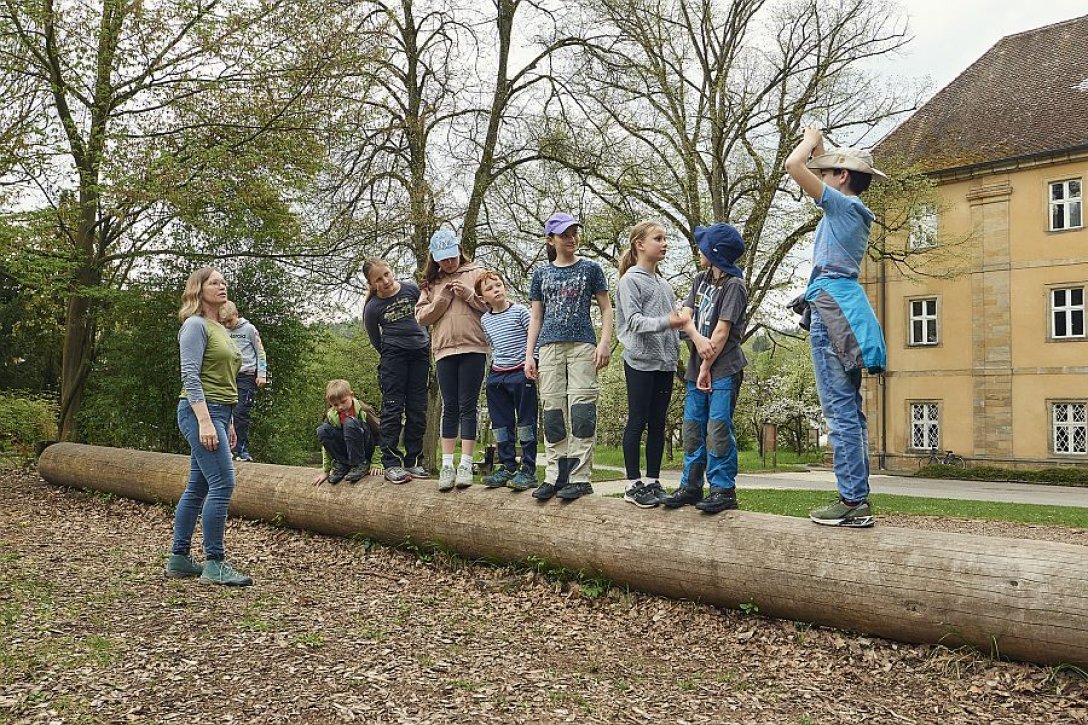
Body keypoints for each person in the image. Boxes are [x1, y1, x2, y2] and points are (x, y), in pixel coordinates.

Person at [784, 127, 888, 528]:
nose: (820, 176)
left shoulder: (843, 208)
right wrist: (825, 149)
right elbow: (818, 168)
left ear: (842, 178)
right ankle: (856, 498)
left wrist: (810, 137)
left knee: (839, 411)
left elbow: (795, 165)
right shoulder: (852, 210)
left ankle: (851, 501)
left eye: (828, 173)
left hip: (831, 310)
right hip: (844, 307)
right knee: (851, 411)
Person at [166, 267, 252, 586]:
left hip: (218, 413)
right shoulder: (194, 325)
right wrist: (205, 420)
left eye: (224, 281)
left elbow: (225, 379)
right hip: (197, 411)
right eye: (214, 281)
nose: (222, 285)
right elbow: (190, 376)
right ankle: (215, 563)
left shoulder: (220, 327)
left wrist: (226, 422)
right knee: (223, 484)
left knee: (198, 487)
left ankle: (179, 558)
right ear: (198, 288)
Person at [660, 223, 748, 515]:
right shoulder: (701, 280)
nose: (699, 251)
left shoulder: (734, 285)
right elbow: (685, 315)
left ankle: (723, 489)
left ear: (716, 252)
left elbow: (722, 333)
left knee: (718, 427)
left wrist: (706, 366)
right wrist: (697, 340)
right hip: (698, 365)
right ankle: (691, 485)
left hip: (723, 368)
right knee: (693, 426)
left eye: (704, 246)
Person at [525, 212, 613, 502]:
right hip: (549, 348)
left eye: (575, 233)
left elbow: (606, 308)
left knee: (581, 410)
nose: (572, 239)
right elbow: (536, 317)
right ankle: (555, 475)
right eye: (565, 235)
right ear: (551, 239)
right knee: (552, 411)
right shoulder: (541, 273)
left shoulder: (591, 268)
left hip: (583, 346)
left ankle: (579, 477)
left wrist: (604, 342)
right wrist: (530, 355)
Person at [614, 221, 692, 508]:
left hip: (665, 363)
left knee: (658, 423)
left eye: (665, 239)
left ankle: (653, 481)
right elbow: (633, 322)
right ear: (640, 245)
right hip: (639, 361)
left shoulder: (665, 285)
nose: (664, 243)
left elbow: (674, 326)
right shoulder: (629, 281)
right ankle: (633, 484)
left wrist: (691, 333)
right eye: (658, 238)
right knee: (638, 420)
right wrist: (667, 321)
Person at [415, 230, 489, 492]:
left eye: (452, 257)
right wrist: (442, 300)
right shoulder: (431, 283)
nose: (449, 263)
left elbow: (493, 304)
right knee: (450, 406)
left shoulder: (477, 272)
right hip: (444, 350)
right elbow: (422, 317)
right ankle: (447, 464)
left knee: (469, 405)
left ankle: (466, 463)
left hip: (473, 347)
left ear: (459, 250)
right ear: (435, 259)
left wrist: (469, 294)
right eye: (443, 260)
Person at [363, 258, 432, 484]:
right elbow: (375, 339)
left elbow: (425, 314)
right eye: (378, 279)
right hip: (394, 357)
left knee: (417, 409)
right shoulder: (373, 307)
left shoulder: (411, 289)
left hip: (420, 354)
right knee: (393, 409)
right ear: (371, 284)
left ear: (392, 272)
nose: (385, 281)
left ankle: (413, 461)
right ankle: (391, 463)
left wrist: (424, 340)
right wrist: (392, 351)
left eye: (387, 274)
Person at [475, 270, 539, 491]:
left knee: (525, 422)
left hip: (521, 372)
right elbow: (492, 346)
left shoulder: (521, 311)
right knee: (501, 424)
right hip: (497, 375)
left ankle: (528, 469)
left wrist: (533, 362)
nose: (496, 290)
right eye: (490, 289)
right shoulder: (485, 320)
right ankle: (508, 466)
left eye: (499, 285)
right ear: (483, 298)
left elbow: (534, 337)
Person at [219, 300, 267, 463]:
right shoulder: (222, 330)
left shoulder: (249, 329)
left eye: (229, 321)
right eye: (224, 322)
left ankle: (242, 450)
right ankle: (227, 450)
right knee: (224, 413)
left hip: (247, 375)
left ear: (236, 315)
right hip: (227, 376)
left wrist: (262, 374)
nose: (228, 325)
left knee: (241, 412)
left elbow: (260, 352)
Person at [311, 379, 383, 486]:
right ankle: (343, 464)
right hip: (347, 452)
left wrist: (377, 462)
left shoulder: (364, 410)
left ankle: (360, 464)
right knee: (322, 430)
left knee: (349, 422)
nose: (340, 407)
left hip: (365, 449)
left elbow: (380, 436)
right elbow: (326, 445)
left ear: (351, 395)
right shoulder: (331, 416)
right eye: (335, 404)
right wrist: (326, 470)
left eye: (343, 402)